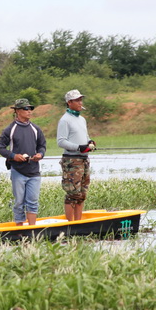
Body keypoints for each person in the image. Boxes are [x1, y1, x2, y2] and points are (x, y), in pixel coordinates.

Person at [0, 99, 47, 226]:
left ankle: (32, 229)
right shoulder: (10, 129)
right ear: (17, 111)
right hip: (17, 171)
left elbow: (42, 146)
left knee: (33, 201)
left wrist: (40, 154)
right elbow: (0, 147)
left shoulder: (36, 129)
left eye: (30, 108)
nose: (29, 111)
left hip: (34, 171)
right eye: (26, 109)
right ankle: (19, 229)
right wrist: (13, 156)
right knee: (19, 202)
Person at [56, 89, 96, 222]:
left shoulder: (82, 119)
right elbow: (61, 141)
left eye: (80, 99)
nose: (80, 102)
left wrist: (89, 142)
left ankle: (78, 222)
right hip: (72, 161)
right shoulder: (65, 120)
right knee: (72, 193)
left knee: (81, 194)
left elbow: (85, 136)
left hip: (84, 160)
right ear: (69, 103)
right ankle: (70, 223)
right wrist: (79, 147)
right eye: (77, 100)